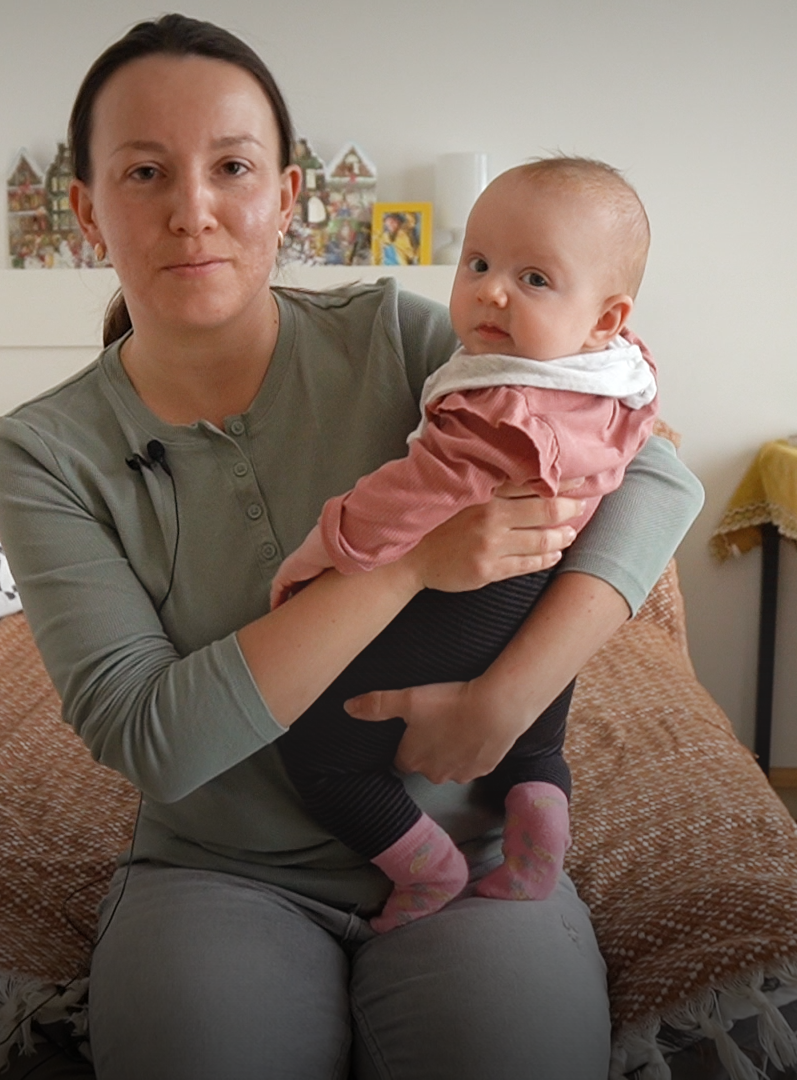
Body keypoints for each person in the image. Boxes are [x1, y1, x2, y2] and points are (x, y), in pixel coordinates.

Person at [0, 13, 703, 1079]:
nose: (193, 211)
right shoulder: (43, 454)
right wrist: (412, 562)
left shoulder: (406, 341)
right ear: (88, 210)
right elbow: (156, 741)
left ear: (285, 194)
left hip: (471, 835)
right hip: (217, 873)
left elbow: (656, 477)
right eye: (144, 173)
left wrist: (507, 704)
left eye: (232, 166)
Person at [269, 157, 658, 933]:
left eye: (535, 279)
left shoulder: (495, 402)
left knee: (318, 748)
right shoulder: (621, 378)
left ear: (606, 317)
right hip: (550, 590)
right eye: (478, 263)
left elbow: (408, 498)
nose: (492, 291)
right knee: (533, 746)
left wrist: (322, 547)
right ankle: (538, 832)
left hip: (473, 599)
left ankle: (426, 865)